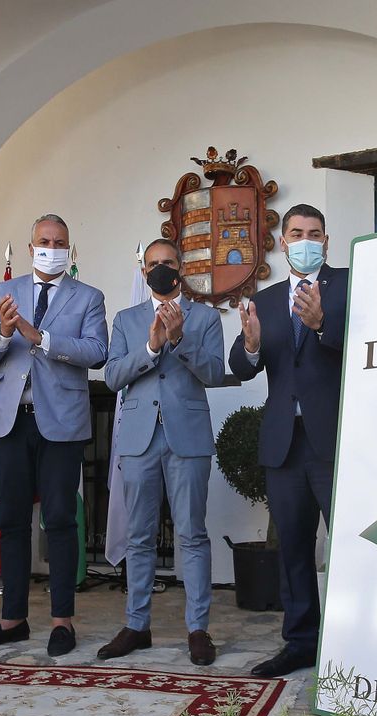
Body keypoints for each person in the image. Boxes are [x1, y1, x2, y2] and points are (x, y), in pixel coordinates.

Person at [0, 214, 108, 656]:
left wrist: (42, 337)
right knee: (10, 520)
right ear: (31, 249)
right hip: (11, 420)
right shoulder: (3, 292)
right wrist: (2, 332)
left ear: (71, 249)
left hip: (61, 423)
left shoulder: (88, 297)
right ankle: (12, 619)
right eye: (44, 241)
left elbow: (98, 351)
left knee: (61, 519)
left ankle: (61, 621)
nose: (52, 247)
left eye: (60, 241)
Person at [228, 204, 348, 678]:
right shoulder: (268, 298)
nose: (305, 240)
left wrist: (322, 326)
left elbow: (367, 348)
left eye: (314, 233)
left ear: (326, 241)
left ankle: (351, 640)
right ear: (282, 242)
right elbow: (241, 365)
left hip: (334, 440)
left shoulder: (348, 287)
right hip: (284, 442)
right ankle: (300, 642)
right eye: (296, 233)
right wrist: (253, 344)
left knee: (347, 545)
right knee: (294, 548)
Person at [98, 239, 225, 666]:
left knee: (191, 534)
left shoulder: (205, 316)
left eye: (167, 263)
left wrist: (180, 339)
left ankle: (197, 629)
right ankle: (137, 625)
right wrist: (152, 347)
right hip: (138, 438)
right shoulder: (127, 319)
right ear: (143, 270)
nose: (160, 270)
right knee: (138, 536)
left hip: (187, 437)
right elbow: (112, 376)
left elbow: (212, 372)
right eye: (152, 264)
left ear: (181, 268)